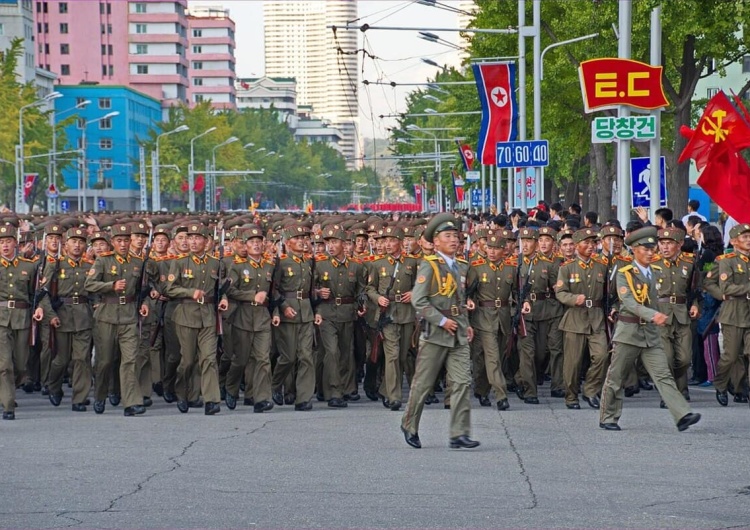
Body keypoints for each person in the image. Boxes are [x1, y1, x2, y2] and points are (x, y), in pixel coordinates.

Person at [598, 226, 700, 432]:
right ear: (635, 249)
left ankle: (682, 414)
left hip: (650, 335)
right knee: (616, 377)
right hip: (629, 332)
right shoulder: (625, 273)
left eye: (652, 248)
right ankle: (608, 416)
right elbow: (629, 302)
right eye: (645, 249)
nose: (650, 252)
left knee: (663, 375)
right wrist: (653, 315)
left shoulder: (654, 272)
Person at [400, 213, 479, 449]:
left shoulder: (460, 266)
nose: (454, 240)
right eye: (448, 236)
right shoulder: (430, 265)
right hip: (436, 333)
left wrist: (466, 324)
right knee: (423, 384)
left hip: (458, 332)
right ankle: (409, 424)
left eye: (456, 236)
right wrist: (442, 321)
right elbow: (419, 300)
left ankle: (459, 434)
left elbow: (459, 300)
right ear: (436, 242)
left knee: (462, 382)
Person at [84, 223, 151, 416]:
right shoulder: (103, 261)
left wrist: (144, 302)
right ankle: (100, 394)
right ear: (112, 242)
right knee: (105, 361)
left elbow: (142, 289)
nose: (123, 244)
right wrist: (110, 285)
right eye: (119, 241)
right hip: (106, 315)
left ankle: (131, 402)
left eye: (126, 240)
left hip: (129, 315)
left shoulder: (138, 262)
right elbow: (90, 284)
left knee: (130, 359)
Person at [164, 223, 227, 415]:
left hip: (208, 315)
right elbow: (170, 288)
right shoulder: (180, 262)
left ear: (206, 241)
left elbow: (222, 288)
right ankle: (182, 393)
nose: (192, 241)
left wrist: (223, 299)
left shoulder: (216, 263)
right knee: (188, 361)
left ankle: (211, 400)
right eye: (190, 238)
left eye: (197, 238)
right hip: (186, 315)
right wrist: (190, 292)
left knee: (208, 359)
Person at [554, 228, 609, 410]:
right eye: (586, 243)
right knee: (573, 363)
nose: (590, 246)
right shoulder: (567, 268)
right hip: (575, 319)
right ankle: (571, 396)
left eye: (593, 243)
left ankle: (591, 389)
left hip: (597, 318)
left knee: (601, 355)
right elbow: (560, 292)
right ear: (577, 246)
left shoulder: (601, 266)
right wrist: (573, 299)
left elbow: (610, 294)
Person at [44, 227, 95, 412]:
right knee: (61, 359)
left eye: (81, 242)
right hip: (62, 316)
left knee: (81, 359)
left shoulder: (90, 267)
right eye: (74, 241)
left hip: (83, 316)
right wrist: (51, 315)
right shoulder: (55, 265)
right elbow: (43, 294)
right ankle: (53, 385)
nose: (77, 245)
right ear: (66, 245)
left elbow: (94, 292)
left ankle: (79, 398)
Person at [0, 224, 44, 420]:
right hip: (1, 318)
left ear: (15, 244)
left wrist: (40, 307)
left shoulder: (28, 266)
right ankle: (8, 405)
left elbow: (37, 293)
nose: (5, 246)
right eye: (1, 243)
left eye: (8, 242)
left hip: (22, 317)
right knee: (5, 365)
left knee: (20, 364)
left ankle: (7, 391)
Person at [704, 223, 750, 406]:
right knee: (731, 355)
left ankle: (742, 387)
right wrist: (722, 295)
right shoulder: (727, 260)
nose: (748, 240)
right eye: (744, 237)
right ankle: (722, 384)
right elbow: (720, 285)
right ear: (734, 241)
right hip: (734, 312)